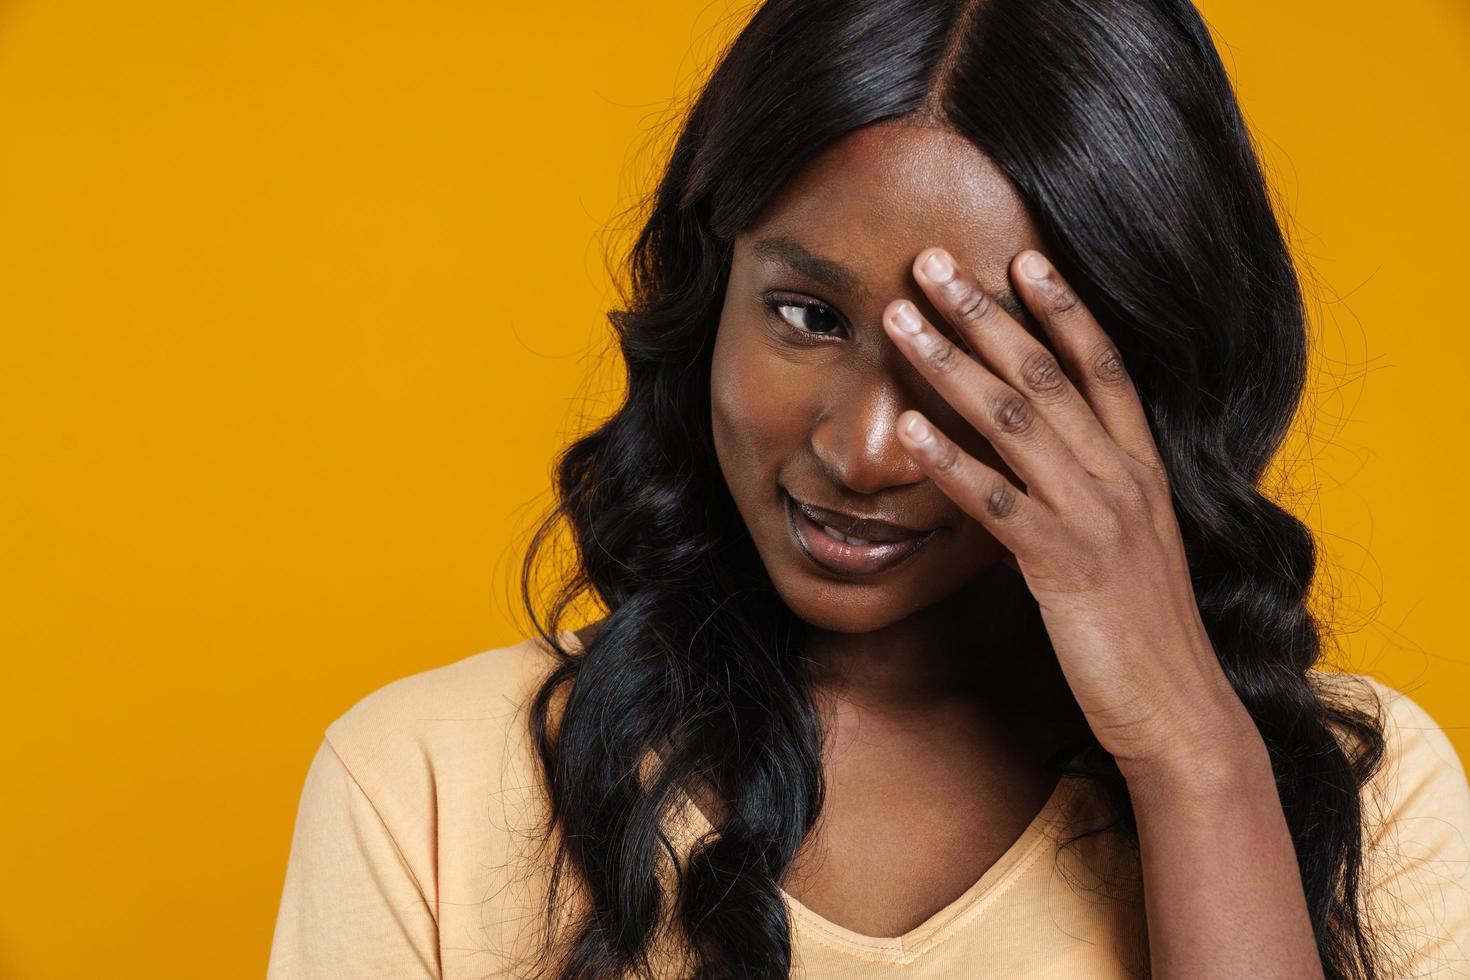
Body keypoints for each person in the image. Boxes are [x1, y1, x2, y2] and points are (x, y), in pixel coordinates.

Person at [266, 0, 1470, 977]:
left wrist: (1191, 754)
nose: (863, 448)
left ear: (1138, 377)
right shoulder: (423, 787)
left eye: (983, 359)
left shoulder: (1372, 797)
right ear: (709, 284)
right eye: (806, 315)